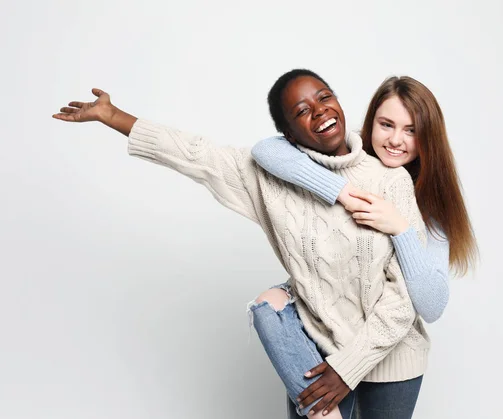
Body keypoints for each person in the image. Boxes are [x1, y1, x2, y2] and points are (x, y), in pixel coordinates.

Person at [52, 69, 430, 419]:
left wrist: (349, 369)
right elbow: (195, 153)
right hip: (318, 354)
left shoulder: (389, 181)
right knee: (270, 305)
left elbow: (404, 297)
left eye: (325, 97)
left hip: (393, 357)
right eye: (302, 111)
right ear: (287, 134)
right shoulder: (268, 179)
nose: (320, 112)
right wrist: (114, 116)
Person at [247, 76, 478, 418]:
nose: (396, 140)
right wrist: (339, 190)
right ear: (371, 123)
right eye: (386, 125)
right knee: (271, 305)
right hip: (329, 338)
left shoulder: (432, 206)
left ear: (428, 137)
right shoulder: (346, 160)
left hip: (392, 356)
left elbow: (429, 305)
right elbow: (266, 150)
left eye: (411, 130)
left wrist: (400, 228)